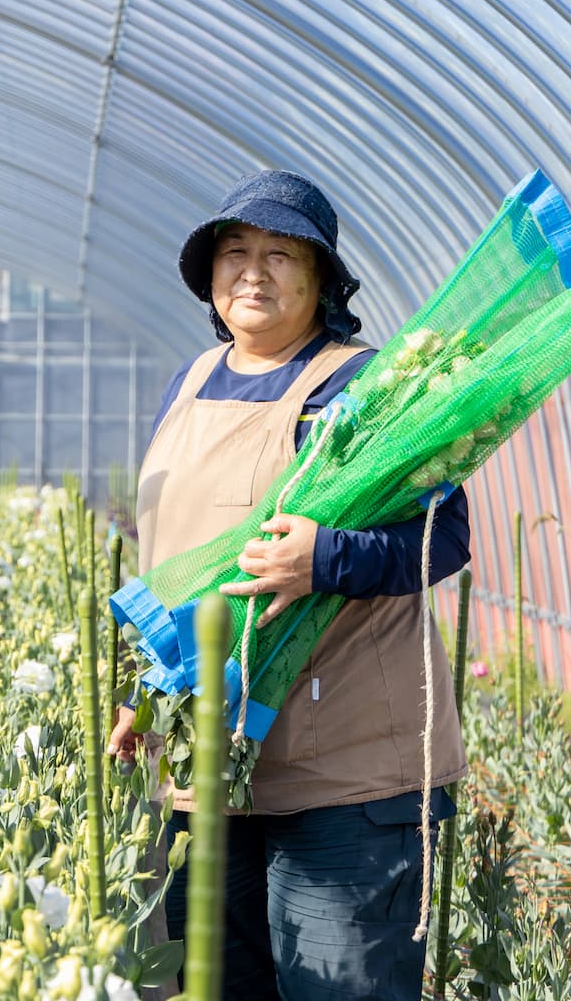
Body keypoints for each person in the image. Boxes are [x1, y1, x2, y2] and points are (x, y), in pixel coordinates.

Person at [107, 169, 470, 1000]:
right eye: (235, 252)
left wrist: (325, 557)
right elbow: (178, 559)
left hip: (340, 769)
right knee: (216, 984)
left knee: (337, 982)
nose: (254, 272)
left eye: (280, 255)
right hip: (208, 756)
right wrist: (145, 693)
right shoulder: (191, 381)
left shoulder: (363, 386)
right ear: (209, 276)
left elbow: (444, 535)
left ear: (322, 281)